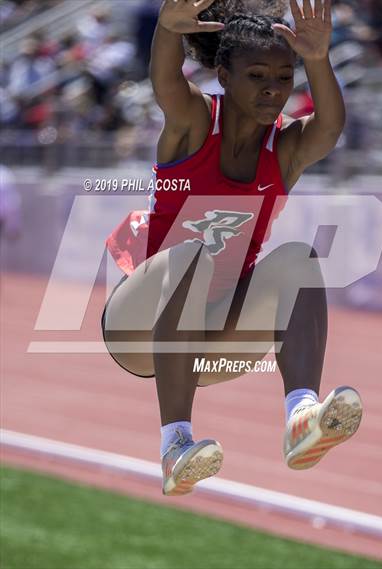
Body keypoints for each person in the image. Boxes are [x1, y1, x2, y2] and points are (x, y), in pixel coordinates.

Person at [102, 0, 362, 496]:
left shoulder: (282, 150)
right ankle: (175, 443)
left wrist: (319, 58)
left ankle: (301, 416)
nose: (272, 88)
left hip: (211, 344)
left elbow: (328, 128)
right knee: (191, 257)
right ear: (223, 73)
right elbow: (166, 85)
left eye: (285, 77)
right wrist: (165, 30)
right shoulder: (197, 122)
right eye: (257, 74)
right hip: (138, 329)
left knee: (299, 261)